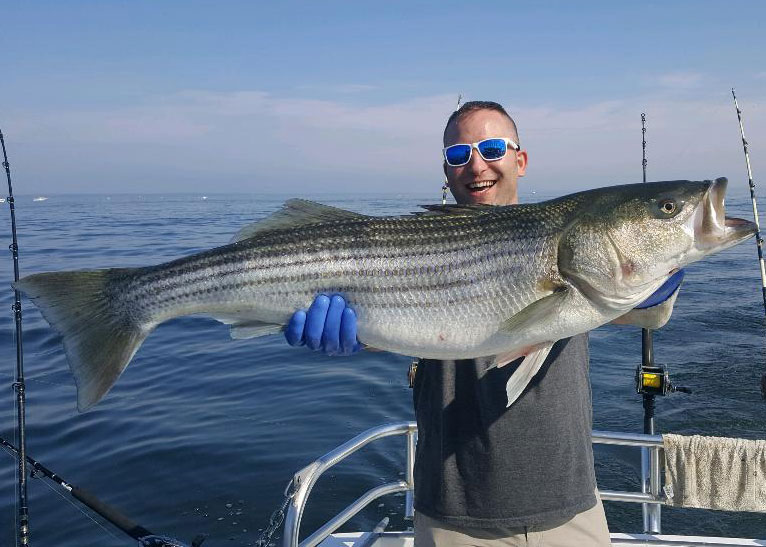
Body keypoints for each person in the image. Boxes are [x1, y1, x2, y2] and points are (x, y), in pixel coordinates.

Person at [285, 101, 683, 546]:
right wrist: (353, 337)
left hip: (569, 508)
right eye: (459, 155)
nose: (477, 165)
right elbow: (390, 330)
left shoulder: (572, 245)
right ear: (447, 171)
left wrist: (661, 257)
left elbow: (645, 308)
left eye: (492, 148)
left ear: (521, 159)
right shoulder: (419, 240)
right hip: (453, 516)